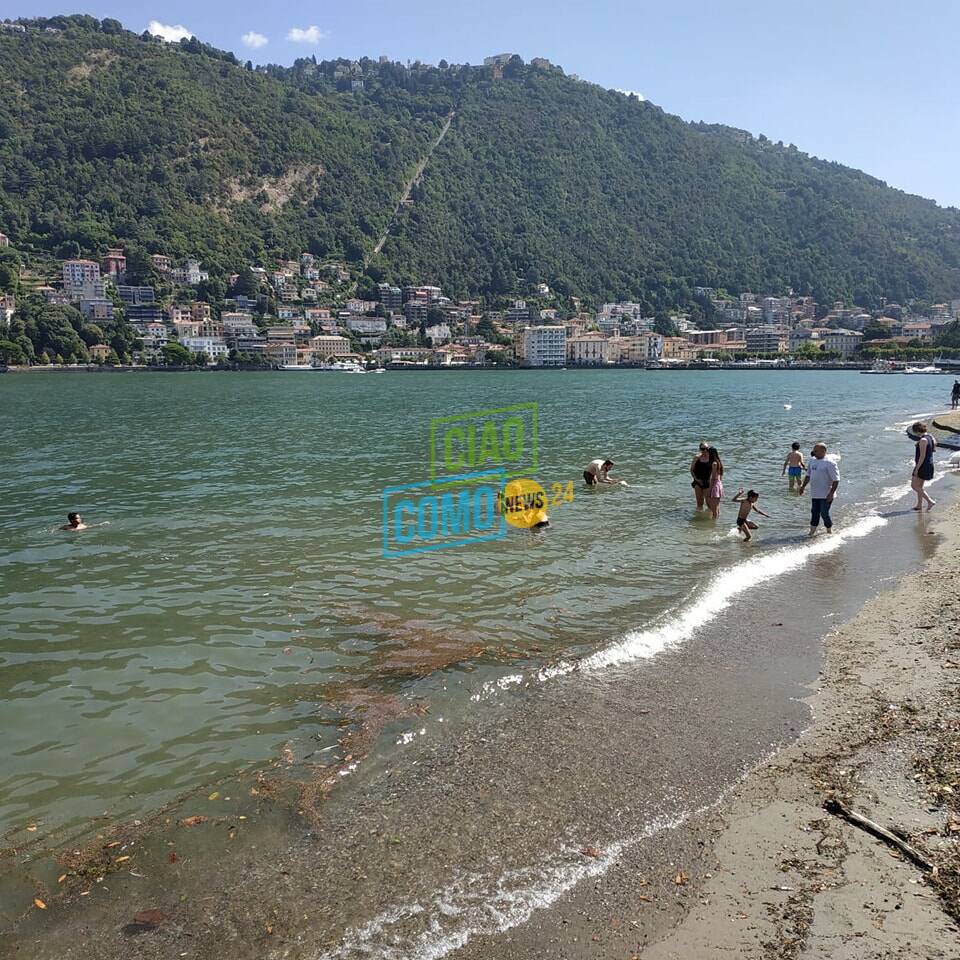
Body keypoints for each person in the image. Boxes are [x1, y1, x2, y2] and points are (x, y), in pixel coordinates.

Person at [799, 443, 839, 535]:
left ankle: (829, 530)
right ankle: (811, 532)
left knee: (824, 513)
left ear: (823, 451)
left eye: (816, 451)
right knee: (814, 512)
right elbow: (808, 475)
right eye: (814, 450)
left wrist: (831, 493)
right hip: (815, 493)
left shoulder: (830, 463)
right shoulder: (812, 461)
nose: (813, 452)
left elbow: (836, 480)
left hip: (826, 494)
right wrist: (802, 487)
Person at [911, 421, 937, 511]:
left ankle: (930, 501)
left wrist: (916, 469)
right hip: (929, 464)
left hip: (923, 465)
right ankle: (919, 505)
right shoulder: (930, 437)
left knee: (914, 486)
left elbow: (922, 456)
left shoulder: (923, 440)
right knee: (920, 486)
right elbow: (935, 445)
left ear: (917, 431)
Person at [689, 442, 712, 509]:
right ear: (700, 449)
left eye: (706, 448)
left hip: (708, 482)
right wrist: (696, 479)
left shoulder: (711, 458)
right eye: (702, 449)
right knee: (699, 504)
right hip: (698, 481)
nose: (705, 450)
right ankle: (699, 518)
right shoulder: (697, 458)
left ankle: (709, 518)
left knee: (709, 504)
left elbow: (716, 471)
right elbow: (691, 470)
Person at [706, 446, 724, 519]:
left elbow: (713, 478)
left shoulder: (714, 464)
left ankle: (713, 525)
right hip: (718, 484)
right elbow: (720, 476)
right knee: (716, 507)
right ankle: (716, 524)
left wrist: (709, 490)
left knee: (713, 509)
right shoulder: (719, 462)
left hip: (714, 486)